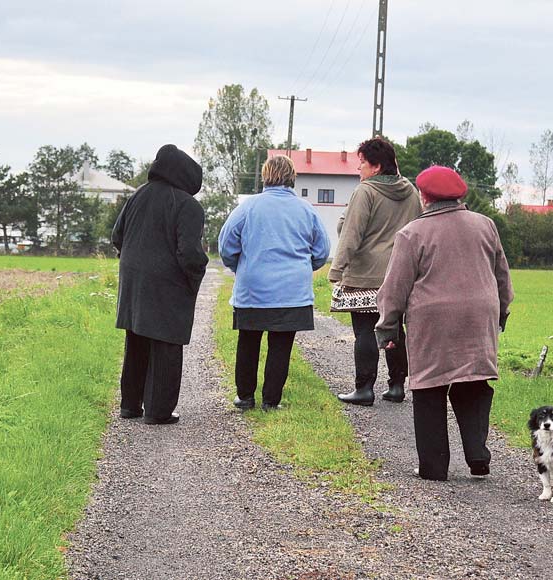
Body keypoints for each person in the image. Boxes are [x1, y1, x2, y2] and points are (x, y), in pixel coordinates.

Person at [375, 165, 514, 480]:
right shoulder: (486, 226)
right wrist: (501, 311)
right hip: (481, 315)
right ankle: (478, 454)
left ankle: (434, 467)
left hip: (433, 320)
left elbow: (395, 287)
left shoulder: (412, 234)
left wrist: (387, 328)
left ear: (424, 197)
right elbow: (502, 275)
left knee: (429, 387)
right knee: (474, 382)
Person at [218, 155, 330, 411]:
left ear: (265, 176)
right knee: (281, 346)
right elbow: (322, 251)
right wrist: (302, 268)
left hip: (253, 290)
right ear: (292, 177)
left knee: (248, 341)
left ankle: (245, 396)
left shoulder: (247, 207)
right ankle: (271, 400)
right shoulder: (306, 210)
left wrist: (241, 267)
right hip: (292, 293)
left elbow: (226, 246)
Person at [111, 144, 208, 425]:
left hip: (133, 282)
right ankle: (158, 411)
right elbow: (189, 252)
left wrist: (133, 261)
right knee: (167, 345)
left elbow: (118, 236)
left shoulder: (137, 195)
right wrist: (195, 275)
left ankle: (130, 405)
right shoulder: (188, 205)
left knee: (137, 340)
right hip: (168, 285)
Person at [328, 137, 421, 406]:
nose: (359, 169)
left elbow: (351, 233)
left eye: (362, 164)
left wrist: (337, 269)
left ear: (377, 166)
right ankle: (396, 386)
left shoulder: (365, 191)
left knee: (365, 331)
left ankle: (364, 388)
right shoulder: (411, 192)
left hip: (366, 274)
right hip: (401, 274)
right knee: (395, 330)